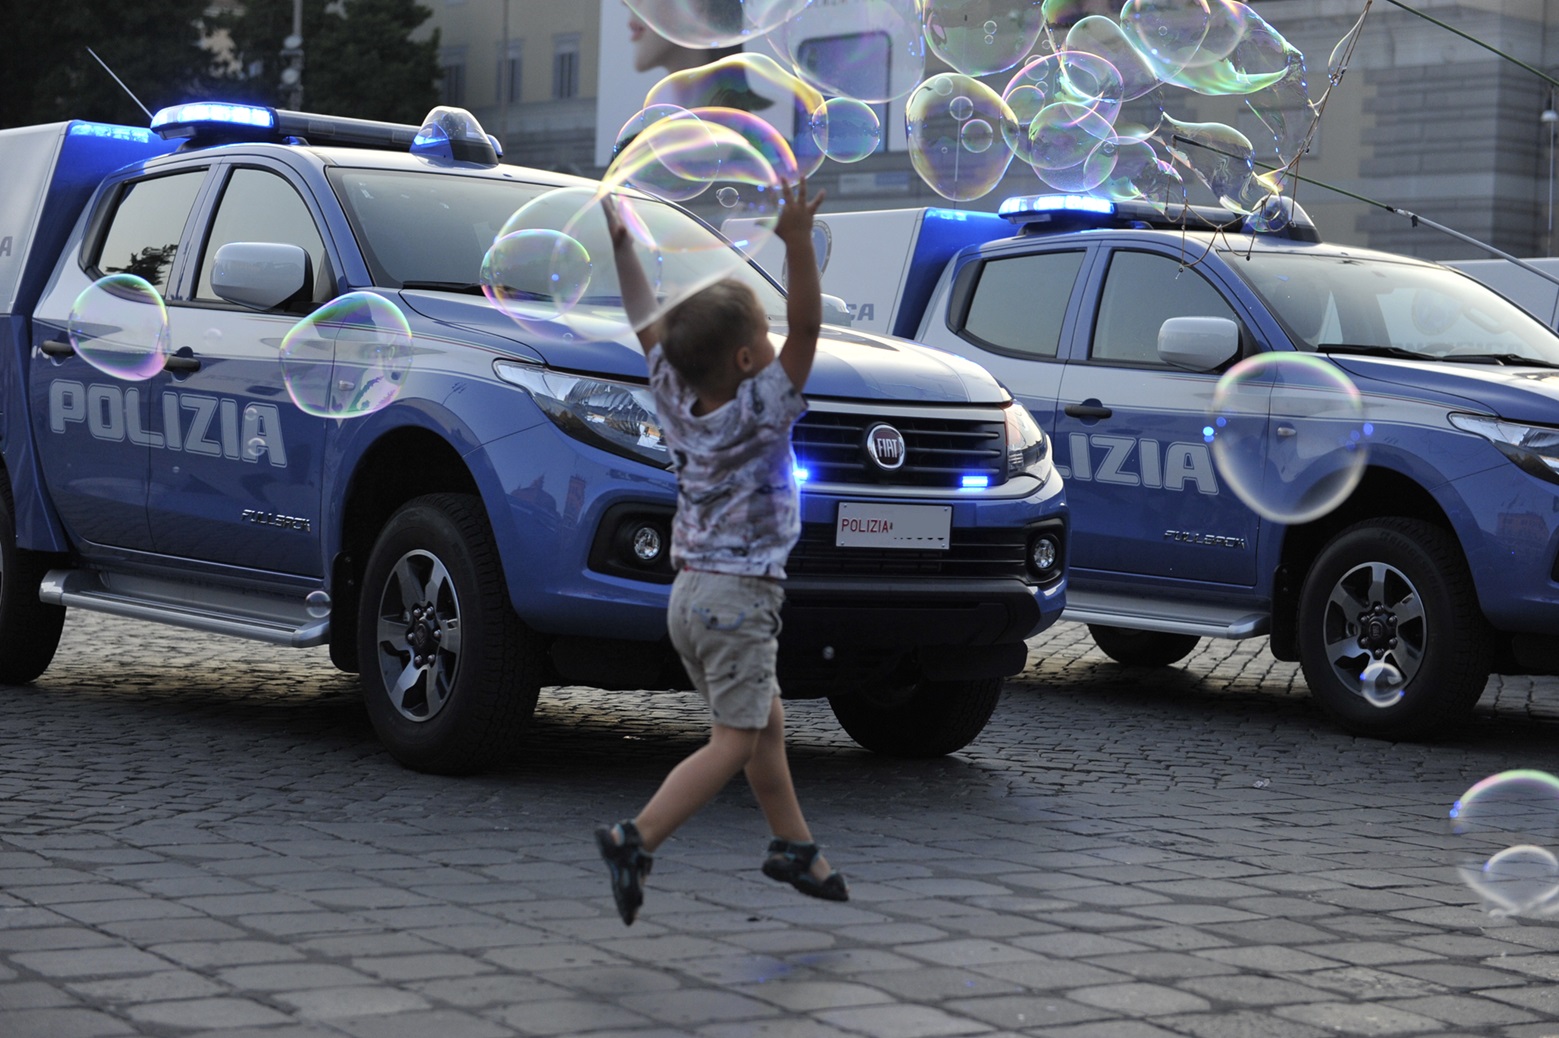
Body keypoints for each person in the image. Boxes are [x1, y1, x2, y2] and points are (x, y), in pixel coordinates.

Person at [594, 178, 844, 926]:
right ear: (744, 358)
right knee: (734, 739)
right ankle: (637, 839)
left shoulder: (673, 394)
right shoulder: (763, 408)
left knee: (763, 722)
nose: (776, 348)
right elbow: (809, 329)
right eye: (764, 339)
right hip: (739, 599)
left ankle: (794, 846)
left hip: (689, 600)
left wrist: (621, 247)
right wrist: (797, 243)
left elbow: (645, 320)